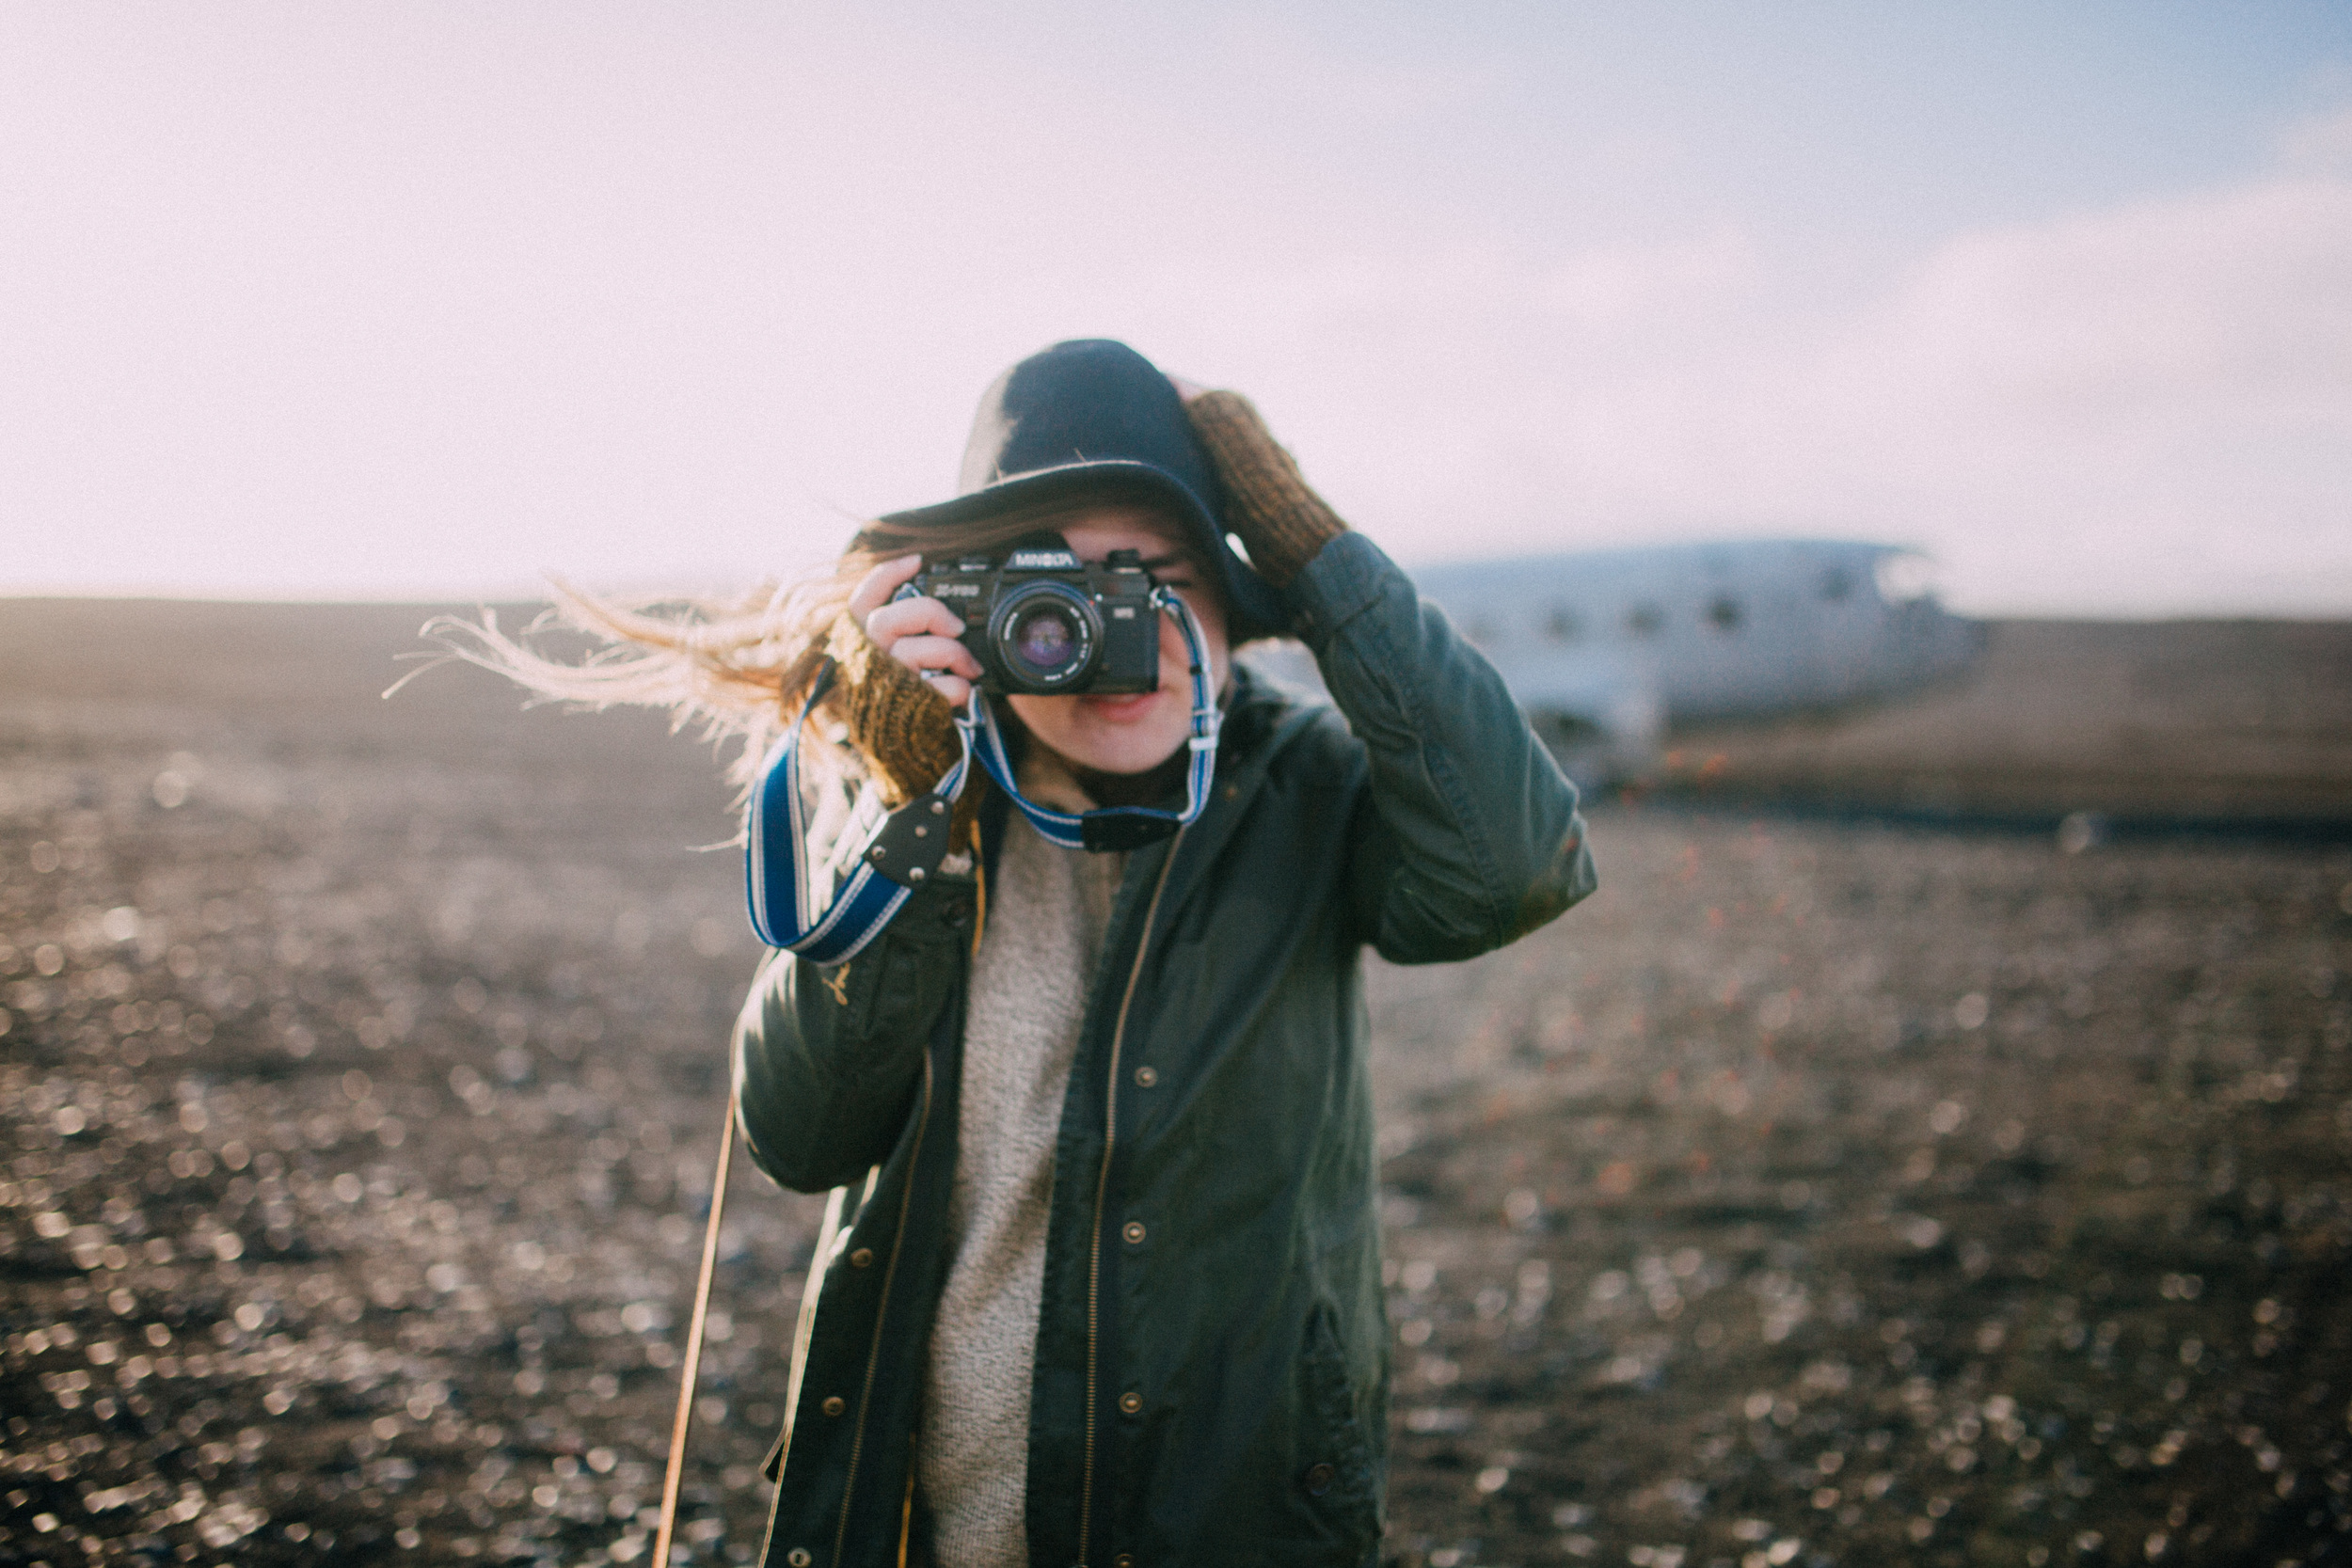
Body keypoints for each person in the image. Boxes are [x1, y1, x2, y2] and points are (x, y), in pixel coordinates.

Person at [434, 338, 1595, 1568]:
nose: (1111, 625)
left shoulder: (1302, 786)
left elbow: (1512, 871)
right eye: (1056, 586)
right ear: (972, 612)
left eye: (1160, 575)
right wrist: (904, 809)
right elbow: (797, 1132)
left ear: (1238, 606)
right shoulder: (919, 798)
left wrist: (1312, 547)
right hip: (923, 1530)